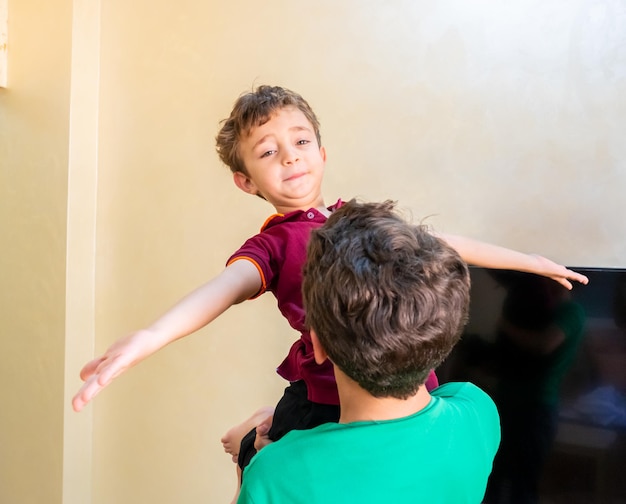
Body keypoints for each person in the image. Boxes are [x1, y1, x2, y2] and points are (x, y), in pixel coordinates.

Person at [71, 85, 587, 490]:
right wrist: (148, 338)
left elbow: (440, 241)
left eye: (300, 142)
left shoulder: (357, 220)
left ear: (321, 149)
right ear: (245, 180)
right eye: (268, 152)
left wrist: (527, 261)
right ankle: (253, 439)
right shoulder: (273, 247)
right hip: (325, 397)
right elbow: (222, 289)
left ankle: (257, 428)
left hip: (401, 383)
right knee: (271, 459)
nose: (291, 157)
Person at [237, 199, 501, 504]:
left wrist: (256, 468)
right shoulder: (478, 411)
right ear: (448, 332)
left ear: (317, 344)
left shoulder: (275, 473)